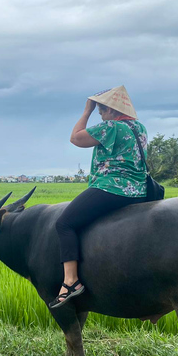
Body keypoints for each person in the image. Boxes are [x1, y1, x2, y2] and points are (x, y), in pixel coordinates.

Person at [50, 86, 149, 309]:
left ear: (112, 110)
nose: (100, 115)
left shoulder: (111, 127)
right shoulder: (139, 127)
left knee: (64, 223)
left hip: (112, 186)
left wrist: (86, 111)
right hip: (139, 190)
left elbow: (76, 138)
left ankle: (70, 281)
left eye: (102, 110)